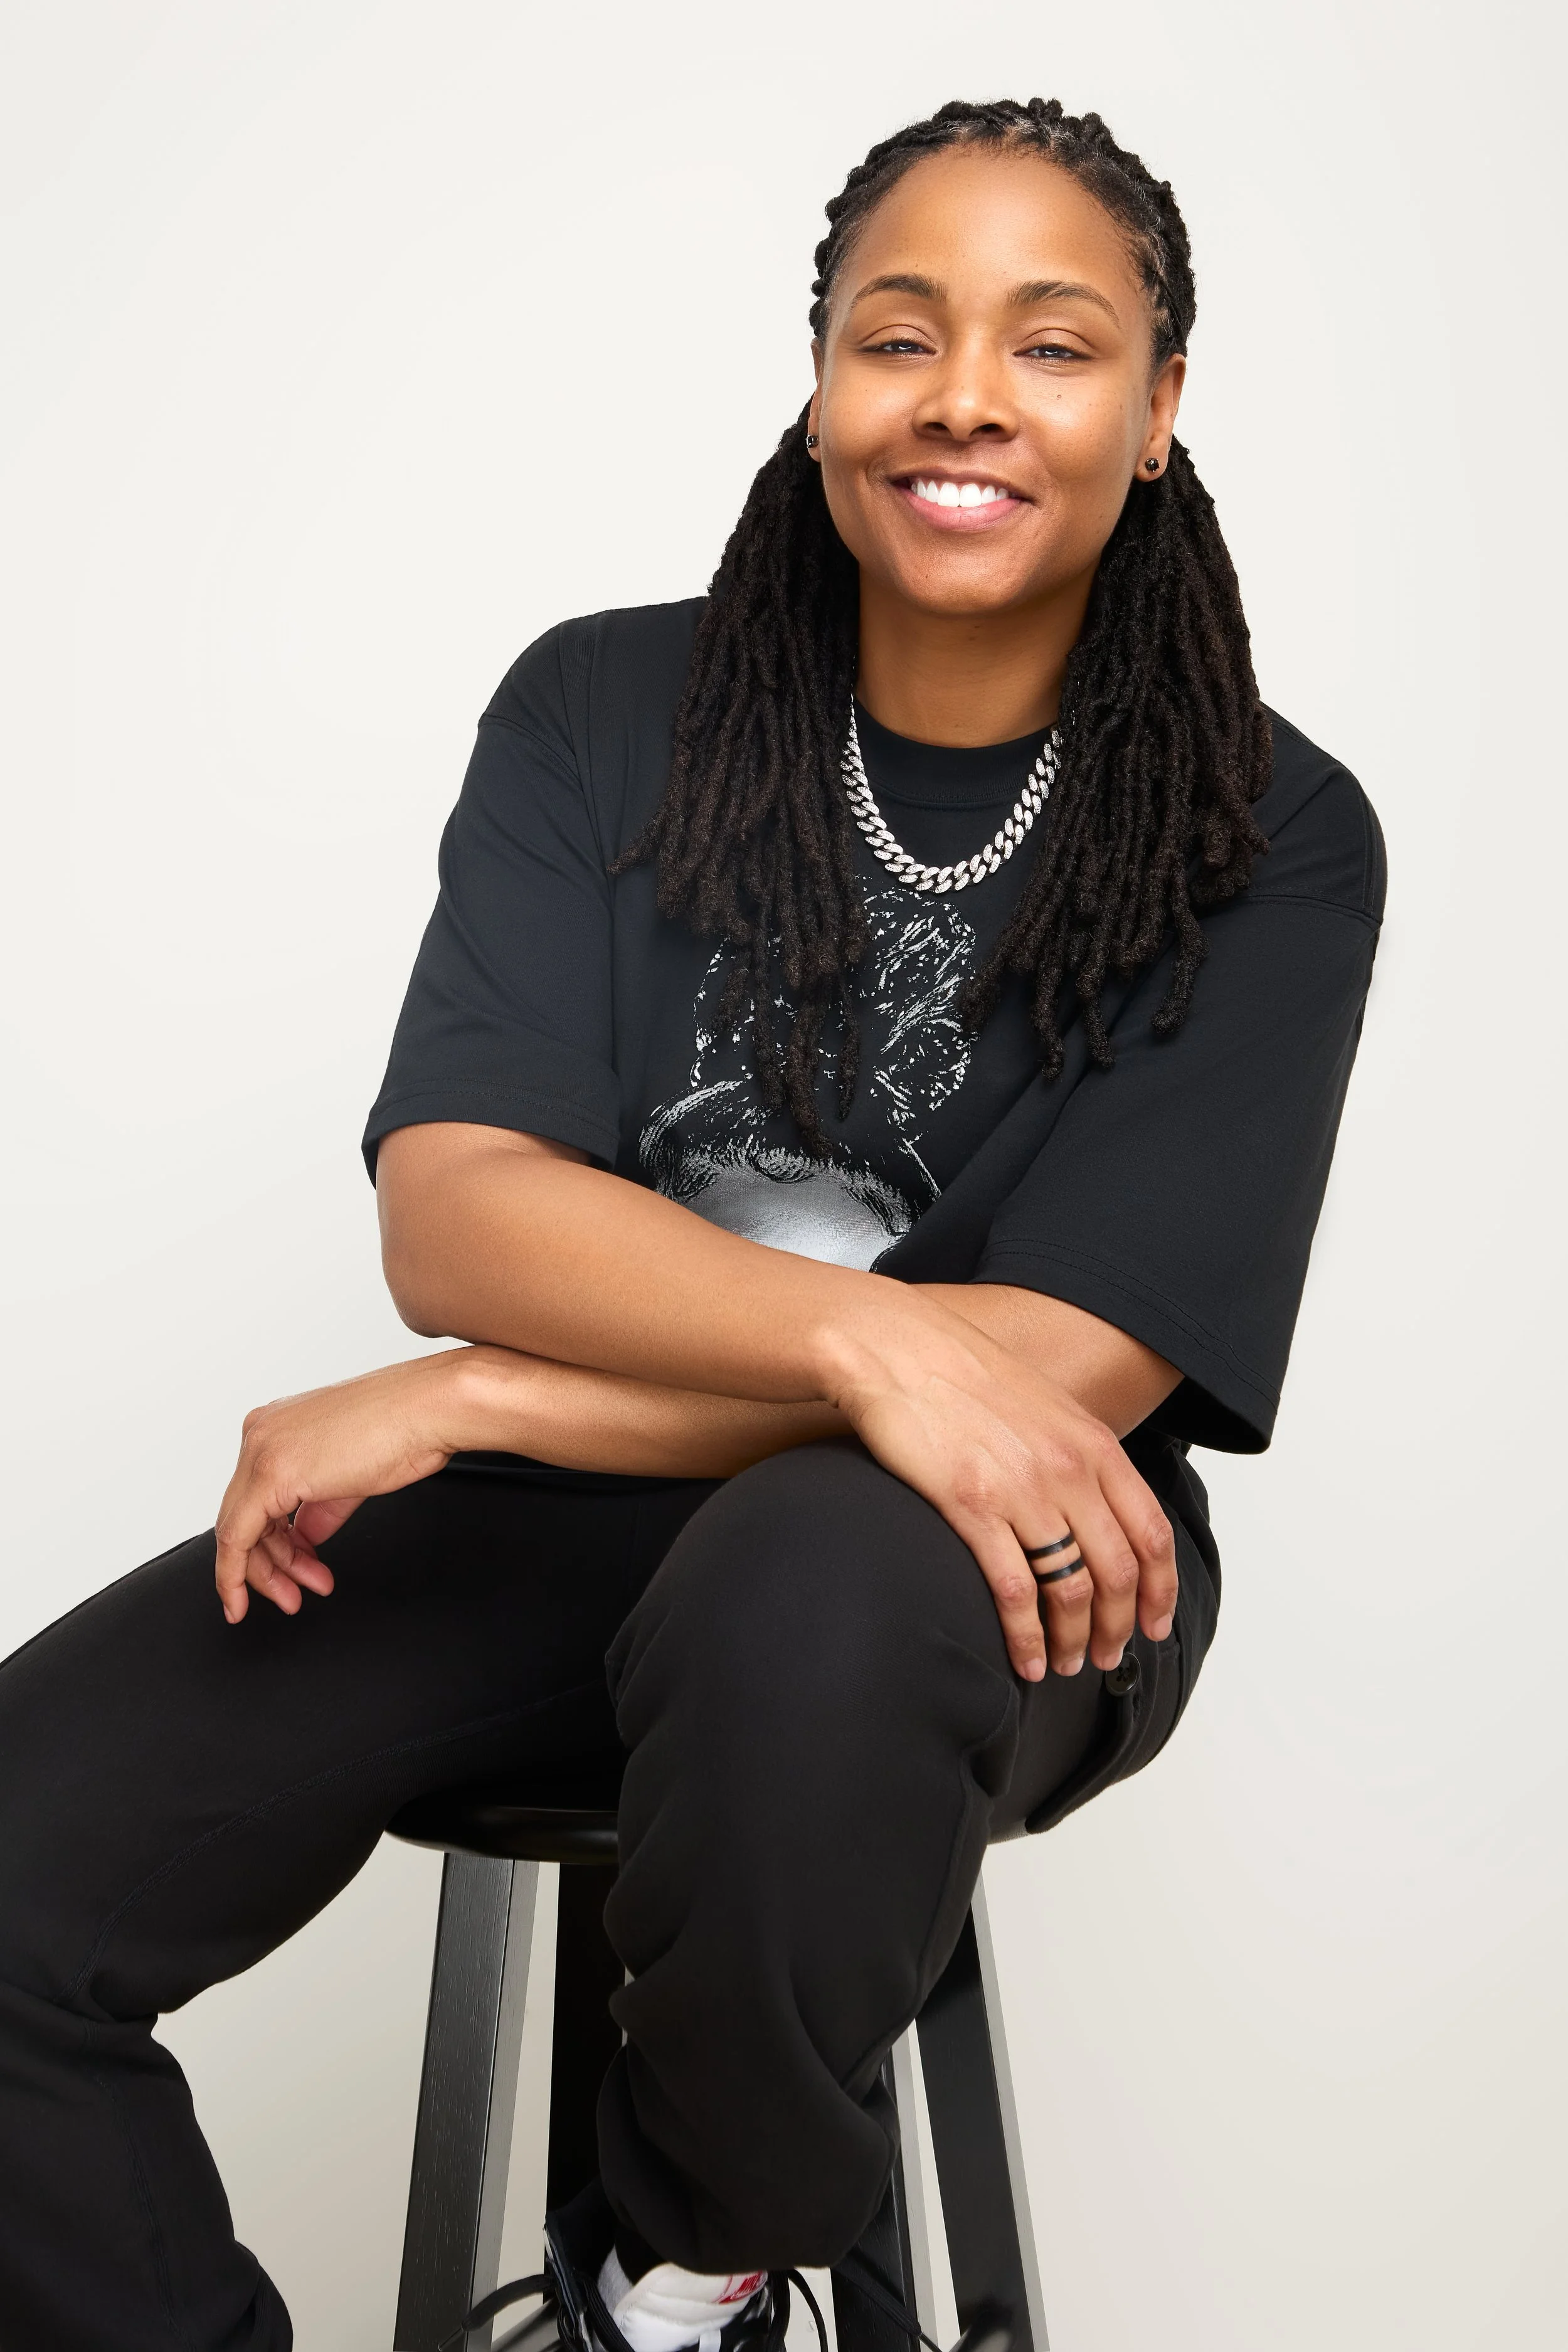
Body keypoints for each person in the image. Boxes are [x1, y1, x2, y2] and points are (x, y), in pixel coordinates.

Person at [0, 95, 1384, 2352]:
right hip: (558, 1538)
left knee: (811, 1578)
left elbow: (1062, 1378)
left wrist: (494, 1394)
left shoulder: (1264, 824)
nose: (960, 396)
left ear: (1157, 414)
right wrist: (856, 1340)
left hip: (997, 1575)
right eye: (894, 331)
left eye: (1052, 344)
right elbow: (458, 1199)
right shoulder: (598, 712)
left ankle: (675, 2278)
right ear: (819, 377)